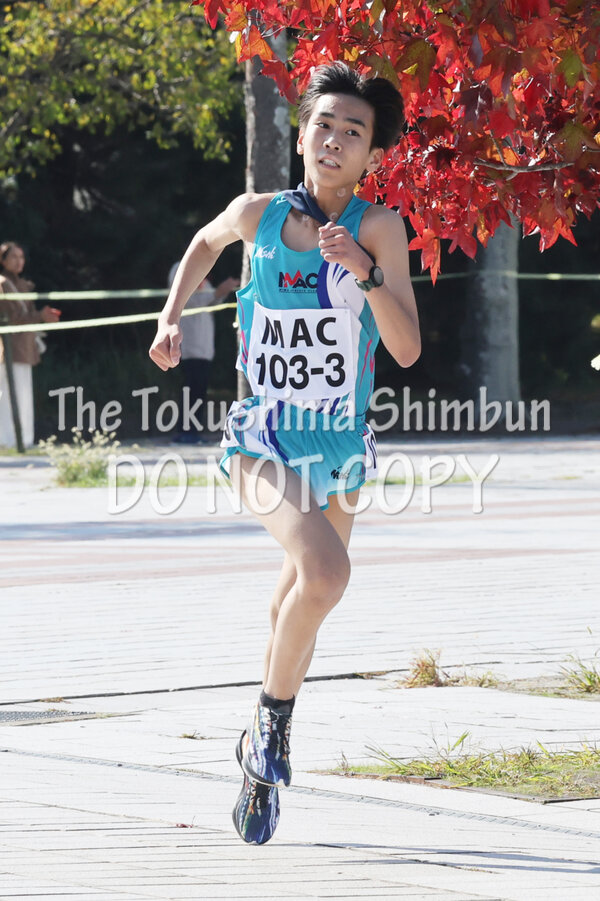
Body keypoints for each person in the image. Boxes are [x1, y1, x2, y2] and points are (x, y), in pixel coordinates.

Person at [150, 62, 420, 844]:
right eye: (323, 124)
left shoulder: (379, 228)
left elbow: (405, 349)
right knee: (326, 572)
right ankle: (272, 727)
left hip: (340, 441)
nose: (334, 140)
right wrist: (171, 315)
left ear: (372, 155)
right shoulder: (258, 213)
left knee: (296, 600)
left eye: (353, 131)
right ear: (301, 135)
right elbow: (204, 242)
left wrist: (365, 271)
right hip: (262, 436)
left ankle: (256, 758)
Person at [167, 263, 239, 443]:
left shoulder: (201, 271)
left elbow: (210, 302)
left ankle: (193, 431)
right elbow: (188, 300)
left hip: (204, 345)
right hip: (190, 342)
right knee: (191, 389)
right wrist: (217, 292)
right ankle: (185, 431)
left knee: (199, 390)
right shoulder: (180, 269)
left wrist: (221, 292)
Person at [0, 242, 60, 448]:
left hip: (25, 347)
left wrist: (43, 317)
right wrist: (39, 316)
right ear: (3, 260)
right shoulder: (2, 284)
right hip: (8, 349)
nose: (19, 261)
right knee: (8, 397)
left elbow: (27, 316)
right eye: (14, 257)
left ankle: (25, 440)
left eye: (21, 257)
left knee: (24, 397)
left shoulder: (22, 284)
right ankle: (8, 441)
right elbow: (11, 319)